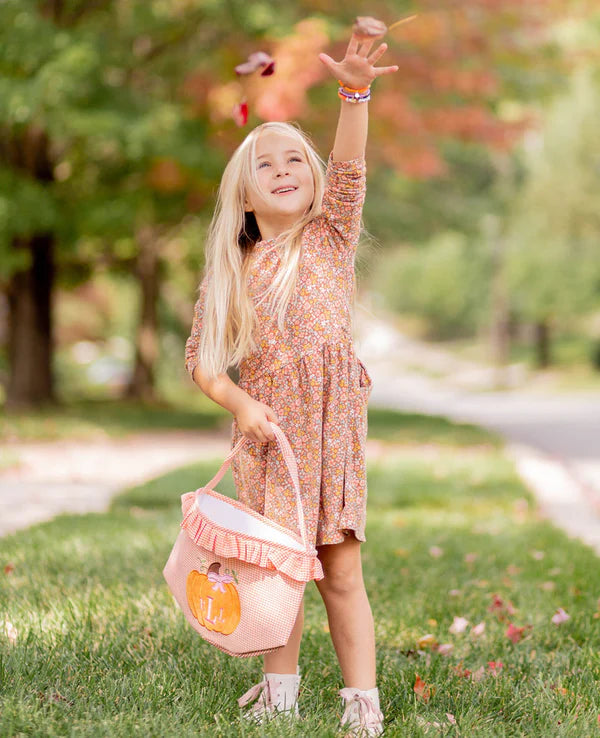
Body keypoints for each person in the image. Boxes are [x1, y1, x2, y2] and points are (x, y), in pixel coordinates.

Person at [184, 28, 398, 738]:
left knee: (340, 573)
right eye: (263, 163)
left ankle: (361, 706)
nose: (282, 169)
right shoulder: (233, 269)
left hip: (332, 431)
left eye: (292, 160)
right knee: (276, 575)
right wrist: (241, 405)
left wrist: (355, 91)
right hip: (272, 437)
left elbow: (351, 162)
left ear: (311, 179)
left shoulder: (330, 237)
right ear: (243, 196)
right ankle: (279, 694)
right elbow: (204, 363)